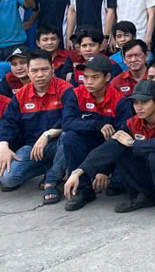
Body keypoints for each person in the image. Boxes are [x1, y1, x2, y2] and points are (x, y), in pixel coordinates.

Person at [61, 80, 155, 216]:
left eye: (144, 102)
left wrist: (133, 143)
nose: (138, 107)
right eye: (135, 103)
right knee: (120, 148)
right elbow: (110, 147)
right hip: (150, 175)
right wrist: (78, 172)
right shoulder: (132, 122)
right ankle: (146, 196)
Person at [48, 55, 133, 209]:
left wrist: (104, 170)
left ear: (107, 77)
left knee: (119, 183)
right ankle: (83, 189)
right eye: (85, 77)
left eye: (95, 77)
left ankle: (110, 177)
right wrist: (95, 124)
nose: (88, 82)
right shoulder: (76, 94)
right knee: (70, 137)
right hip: (85, 143)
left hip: (109, 149)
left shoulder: (120, 101)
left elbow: (121, 137)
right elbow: (67, 123)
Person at [0, 50, 70, 191]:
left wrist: (47, 135)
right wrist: (3, 147)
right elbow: (7, 122)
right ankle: (48, 167)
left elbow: (71, 119)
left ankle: (52, 179)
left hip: (58, 144)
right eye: (35, 71)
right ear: (28, 73)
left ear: (52, 69)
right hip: (32, 147)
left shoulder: (65, 89)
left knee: (69, 136)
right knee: (7, 179)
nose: (40, 75)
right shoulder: (21, 95)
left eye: (44, 69)